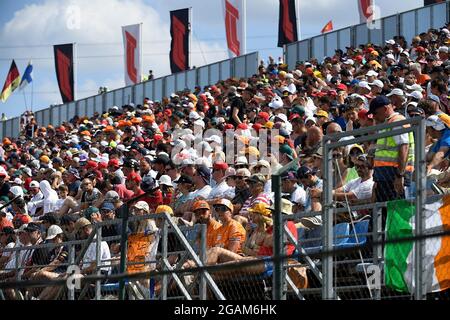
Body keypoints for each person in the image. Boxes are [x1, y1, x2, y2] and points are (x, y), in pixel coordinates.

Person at [367, 96, 415, 203]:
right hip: (384, 176)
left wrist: (399, 175)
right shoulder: (386, 123)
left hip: (394, 175)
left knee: (394, 211)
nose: (374, 117)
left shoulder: (396, 121)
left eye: (375, 113)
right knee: (384, 213)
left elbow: (404, 147)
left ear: (384, 109)